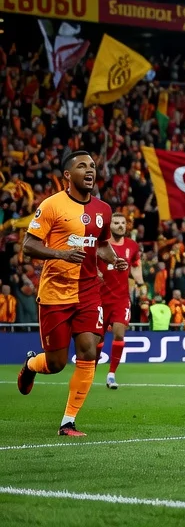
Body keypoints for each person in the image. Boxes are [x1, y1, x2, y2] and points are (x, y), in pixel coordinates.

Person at [17, 151, 128, 436]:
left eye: (92, 166)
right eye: (82, 166)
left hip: (88, 291)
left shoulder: (103, 210)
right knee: (55, 363)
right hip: (55, 292)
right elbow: (29, 245)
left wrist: (114, 259)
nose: (89, 171)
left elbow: (101, 245)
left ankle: (68, 421)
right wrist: (61, 254)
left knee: (89, 350)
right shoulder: (52, 205)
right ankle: (31, 364)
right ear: (68, 175)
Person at [101, 213, 142, 389]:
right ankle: (89, 370)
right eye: (116, 222)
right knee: (97, 339)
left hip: (121, 299)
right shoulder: (101, 244)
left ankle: (111, 374)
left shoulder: (132, 246)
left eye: (123, 223)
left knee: (119, 334)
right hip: (100, 297)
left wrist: (140, 283)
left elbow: (136, 266)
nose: (120, 225)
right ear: (110, 226)